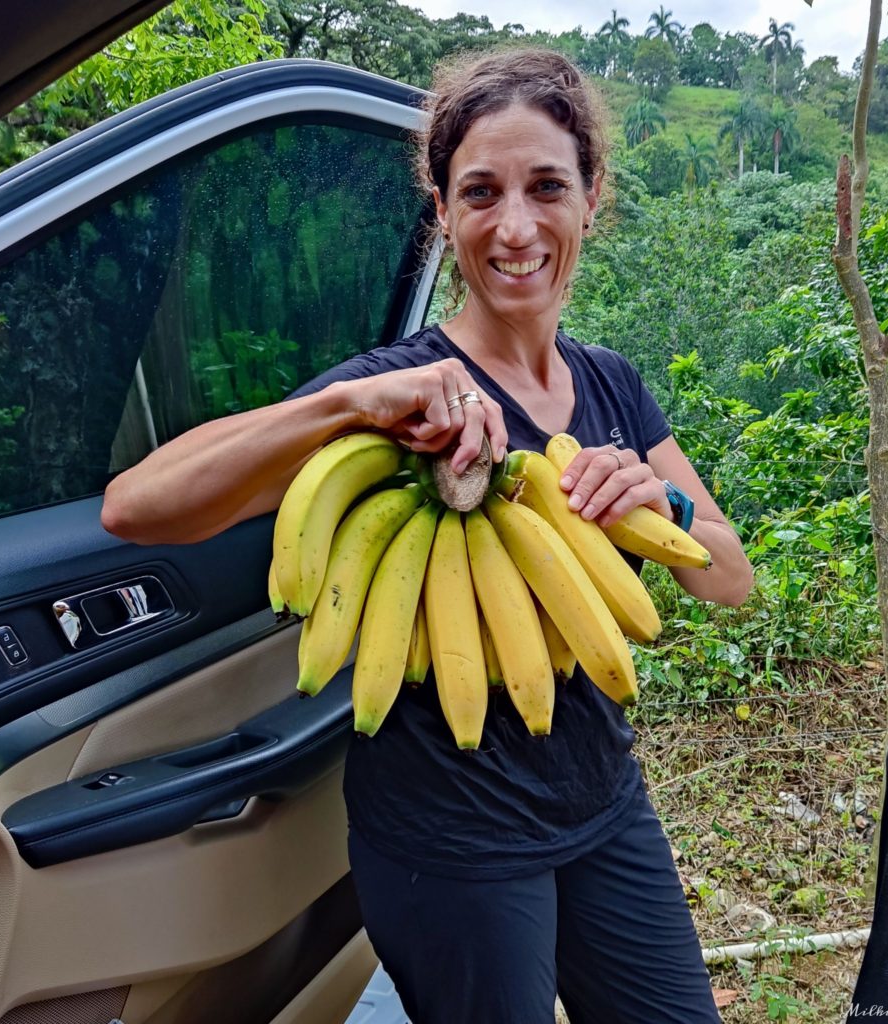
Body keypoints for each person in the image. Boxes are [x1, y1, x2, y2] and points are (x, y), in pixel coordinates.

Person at [103, 47, 753, 1024]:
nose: (516, 224)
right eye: (480, 191)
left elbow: (729, 579)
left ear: (591, 199)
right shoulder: (392, 395)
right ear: (442, 212)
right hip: (449, 841)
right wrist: (343, 405)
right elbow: (139, 505)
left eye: (546, 186)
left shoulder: (612, 381)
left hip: (602, 802)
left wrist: (660, 509)